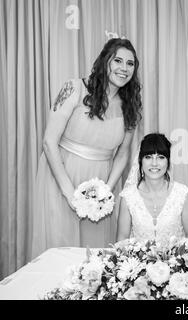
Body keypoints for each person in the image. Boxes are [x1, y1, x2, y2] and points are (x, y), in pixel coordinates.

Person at [31, 38, 142, 259]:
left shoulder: (131, 104)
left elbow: (123, 154)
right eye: (118, 60)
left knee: (93, 256)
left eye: (130, 64)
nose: (124, 68)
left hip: (100, 184)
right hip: (60, 177)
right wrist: (69, 193)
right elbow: (49, 142)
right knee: (59, 249)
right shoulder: (74, 88)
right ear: (105, 61)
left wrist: (106, 192)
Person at [116, 133, 188, 244]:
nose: (154, 163)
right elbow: (122, 241)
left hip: (175, 260)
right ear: (140, 161)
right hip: (138, 261)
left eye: (160, 157)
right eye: (148, 157)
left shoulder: (182, 194)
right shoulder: (128, 197)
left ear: (168, 162)